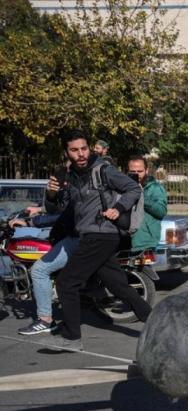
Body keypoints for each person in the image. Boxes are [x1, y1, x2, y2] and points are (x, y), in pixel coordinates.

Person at [44, 129, 151, 351]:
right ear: (67, 152)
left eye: (84, 148)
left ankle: (72, 337)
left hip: (102, 234)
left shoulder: (103, 170)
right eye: (74, 150)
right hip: (92, 235)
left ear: (89, 148)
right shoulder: (70, 177)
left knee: (66, 282)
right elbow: (60, 209)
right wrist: (51, 194)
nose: (81, 154)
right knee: (118, 285)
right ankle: (158, 322)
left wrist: (118, 208)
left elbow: (133, 189)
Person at [12, 173, 79, 336]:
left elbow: (62, 214)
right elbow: (57, 207)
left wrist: (31, 222)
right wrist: (43, 204)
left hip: (76, 237)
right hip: (74, 234)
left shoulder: (79, 184)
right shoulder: (76, 182)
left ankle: (45, 320)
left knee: (39, 270)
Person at [127, 156, 167, 252]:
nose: (136, 174)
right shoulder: (122, 187)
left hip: (145, 241)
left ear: (146, 171)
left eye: (140, 171)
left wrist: (141, 196)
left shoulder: (155, 188)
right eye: (133, 172)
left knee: (145, 267)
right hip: (125, 240)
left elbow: (161, 211)